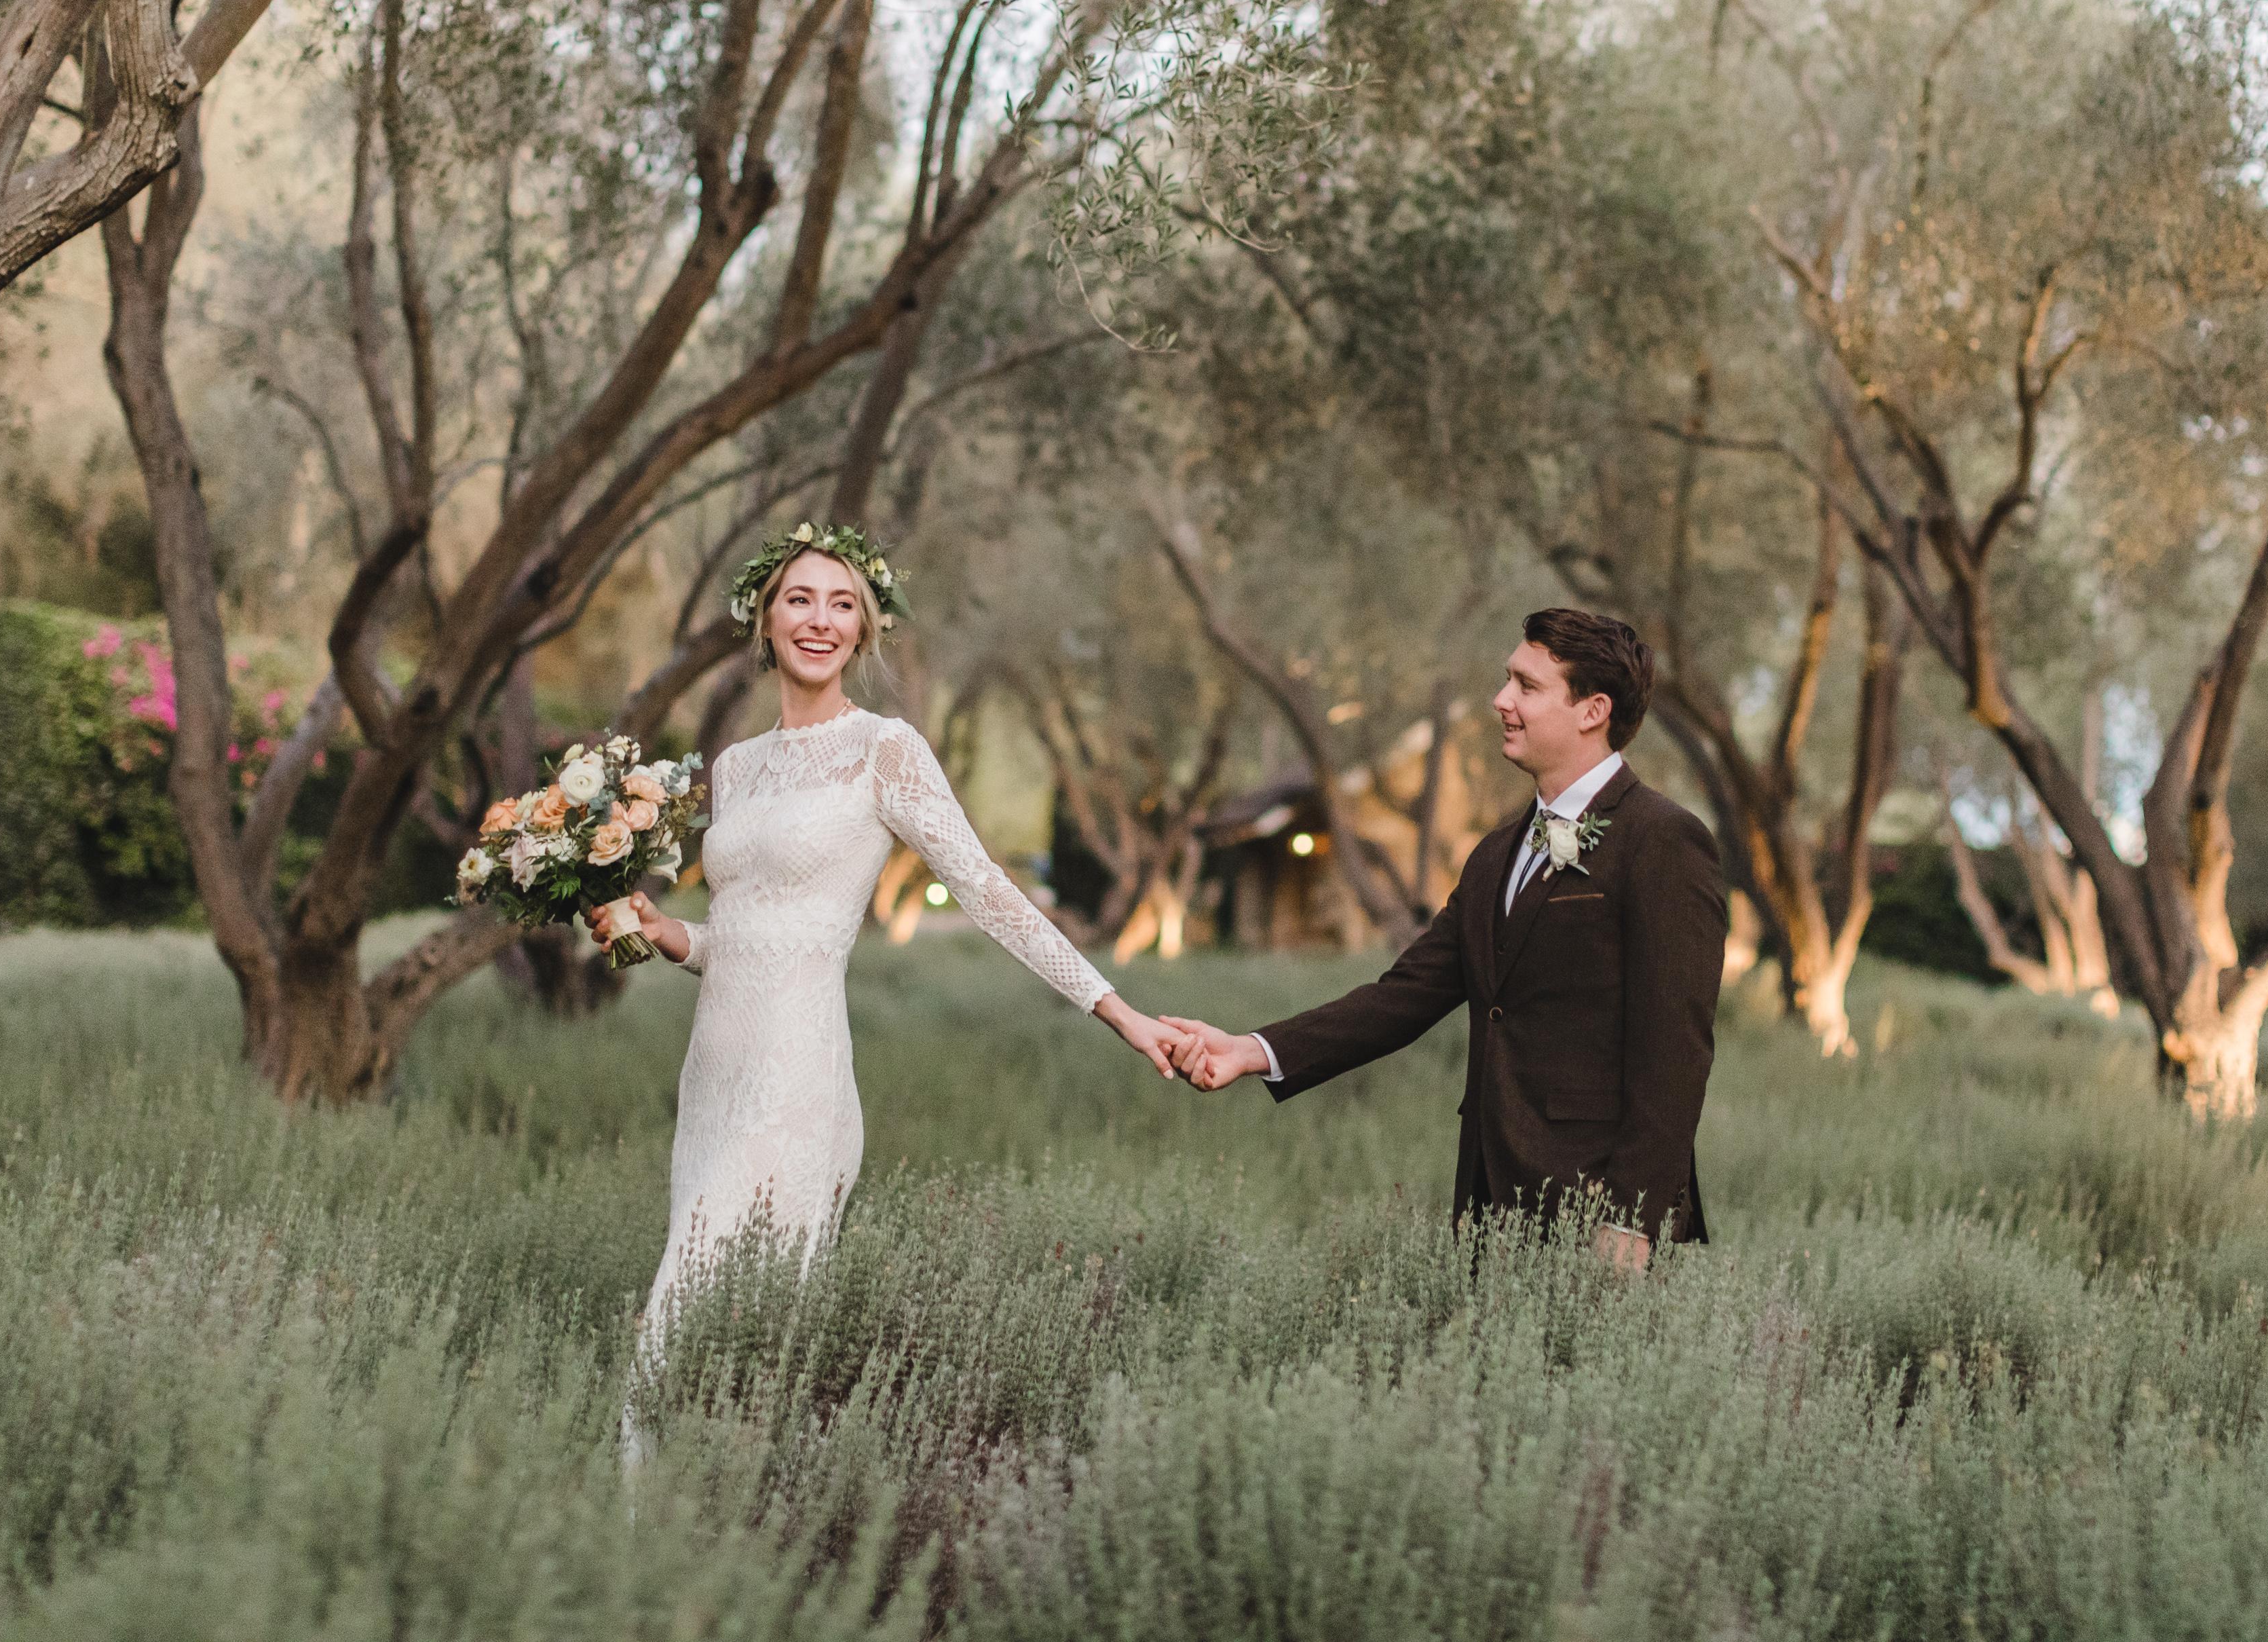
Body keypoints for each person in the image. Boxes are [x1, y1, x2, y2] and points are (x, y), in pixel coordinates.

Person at [588, 522, 1184, 1373]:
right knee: (724, 1342)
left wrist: (1118, 1012)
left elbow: (988, 892)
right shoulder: (737, 767)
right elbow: (748, 938)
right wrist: (665, 934)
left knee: (688, 1319)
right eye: (799, 600)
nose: (819, 620)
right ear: (764, 618)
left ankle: (661, 1461)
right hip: (713, 1075)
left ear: (863, 629)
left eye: (842, 605)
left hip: (796, 1077)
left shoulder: (884, 750)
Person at [1165, 608, 1725, 1269]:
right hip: (1490, 1205)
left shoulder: (1663, 841)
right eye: (1507, 680)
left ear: (1592, 710)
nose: (1501, 700)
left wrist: (1630, 1218)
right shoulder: (1493, 855)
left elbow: (1674, 1050)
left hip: (1599, 1214)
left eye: (1526, 686)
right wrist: (1252, 1050)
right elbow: (1402, 996)